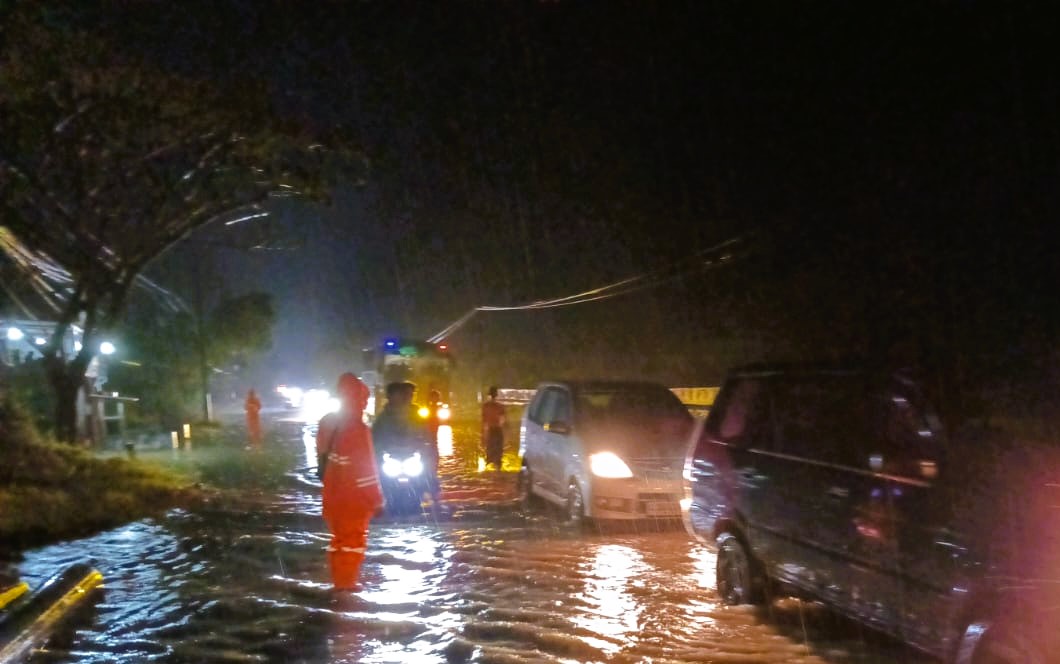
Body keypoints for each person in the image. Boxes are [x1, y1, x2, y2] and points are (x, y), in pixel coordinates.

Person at [316, 373, 383, 591]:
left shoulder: (327, 423)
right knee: (353, 543)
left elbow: (323, 459)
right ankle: (347, 587)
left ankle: (338, 582)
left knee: (338, 541)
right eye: (362, 399)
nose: (364, 403)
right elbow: (365, 471)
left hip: (332, 495)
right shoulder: (358, 429)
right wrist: (377, 500)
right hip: (353, 500)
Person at [372, 382, 440, 507]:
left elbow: (426, 434)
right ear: (390, 396)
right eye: (396, 395)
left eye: (409, 395)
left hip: (412, 455)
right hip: (390, 457)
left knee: (428, 471)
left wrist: (426, 447)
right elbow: (375, 438)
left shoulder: (415, 413)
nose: (402, 398)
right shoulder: (383, 417)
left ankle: (432, 492)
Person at [482, 386, 506, 470]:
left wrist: (484, 432)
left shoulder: (485, 406)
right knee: (498, 448)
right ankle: (497, 465)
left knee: (490, 447)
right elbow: (503, 420)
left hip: (490, 429)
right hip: (497, 429)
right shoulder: (500, 406)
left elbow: (484, 420)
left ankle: (489, 463)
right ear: (496, 395)